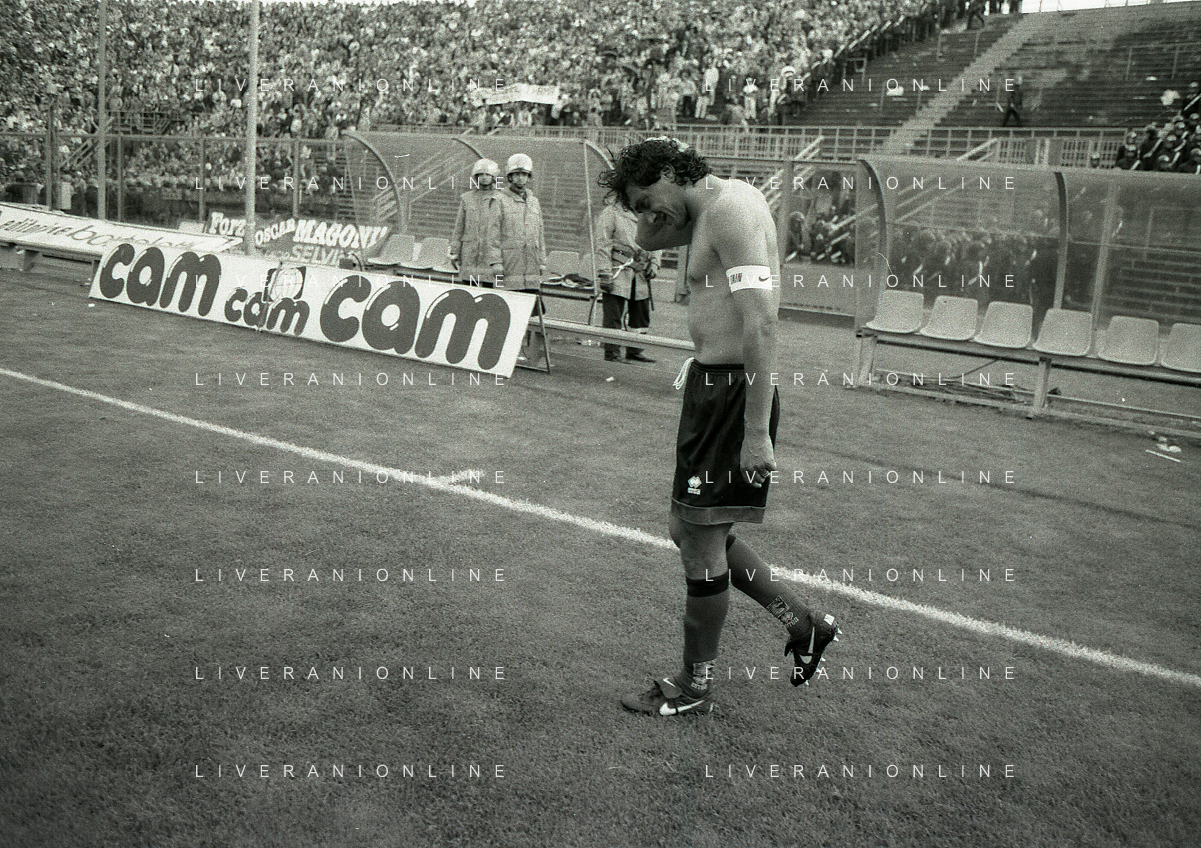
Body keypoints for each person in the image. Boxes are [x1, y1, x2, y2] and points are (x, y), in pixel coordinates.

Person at [598, 138, 839, 717]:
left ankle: (693, 684)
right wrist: (651, 209)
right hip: (709, 389)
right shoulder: (704, 210)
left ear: (671, 171)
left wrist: (756, 432)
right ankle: (804, 624)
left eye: (646, 199)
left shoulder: (730, 209)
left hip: (733, 396)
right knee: (688, 531)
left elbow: (762, 322)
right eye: (636, 207)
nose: (645, 215)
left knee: (700, 543)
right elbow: (647, 240)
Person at [493, 153, 547, 358]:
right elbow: (492, 235)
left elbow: (540, 233)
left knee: (530, 311)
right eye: (516, 174)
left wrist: (542, 260)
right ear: (509, 177)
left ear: (529, 177)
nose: (520, 178)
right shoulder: (499, 200)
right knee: (509, 309)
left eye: (524, 174)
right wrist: (496, 262)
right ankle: (504, 351)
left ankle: (525, 351)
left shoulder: (534, 202)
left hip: (531, 266)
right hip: (510, 265)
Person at [594, 196, 660, 363]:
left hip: (641, 272)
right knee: (614, 314)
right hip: (618, 270)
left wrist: (654, 263)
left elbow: (657, 239)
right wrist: (605, 273)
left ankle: (635, 350)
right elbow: (602, 244)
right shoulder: (611, 212)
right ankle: (612, 352)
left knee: (640, 313)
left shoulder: (649, 213)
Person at [450, 158, 503, 286]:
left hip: (490, 255)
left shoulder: (501, 199)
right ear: (476, 177)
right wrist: (455, 252)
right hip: (469, 253)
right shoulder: (467, 198)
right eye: (480, 174)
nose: (484, 177)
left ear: (493, 177)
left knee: (487, 290)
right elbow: (459, 227)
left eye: (488, 174)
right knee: (467, 288)